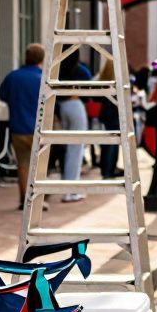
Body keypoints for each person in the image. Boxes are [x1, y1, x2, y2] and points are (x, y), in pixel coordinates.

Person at [0, 44, 44, 210]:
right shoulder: (42, 78)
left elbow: (1, 95)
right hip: (38, 129)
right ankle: (38, 199)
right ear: (41, 59)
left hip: (17, 127)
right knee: (38, 165)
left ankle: (24, 199)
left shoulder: (13, 76)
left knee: (23, 165)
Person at [56, 53, 93, 201]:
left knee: (67, 148)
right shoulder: (80, 70)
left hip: (61, 106)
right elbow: (89, 91)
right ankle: (71, 191)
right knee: (76, 149)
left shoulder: (57, 68)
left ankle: (67, 187)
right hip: (76, 105)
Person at [95, 63, 121, 180]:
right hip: (113, 115)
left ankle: (108, 170)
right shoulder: (115, 83)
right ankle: (108, 170)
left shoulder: (101, 80)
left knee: (109, 144)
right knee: (112, 144)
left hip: (105, 115)